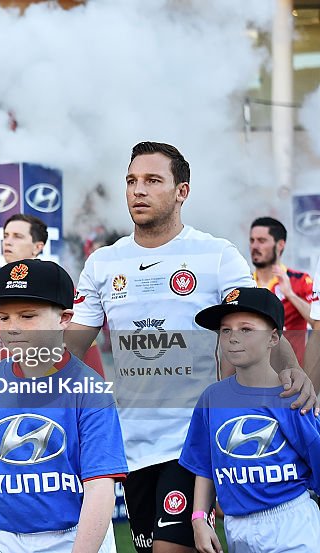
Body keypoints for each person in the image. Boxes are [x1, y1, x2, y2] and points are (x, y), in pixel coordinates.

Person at [64, 141, 318, 553]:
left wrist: (292, 371)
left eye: (152, 180)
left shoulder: (216, 255)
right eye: (131, 181)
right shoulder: (103, 263)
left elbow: (260, 325)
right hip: (131, 444)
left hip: (194, 442)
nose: (138, 190)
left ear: (182, 191)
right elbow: (69, 348)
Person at [0, 259, 128, 553]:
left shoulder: (89, 390)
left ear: (64, 318)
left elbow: (100, 487)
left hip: (73, 537)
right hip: (3, 537)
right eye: (4, 317)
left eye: (27, 316)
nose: (13, 329)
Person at [180, 287, 320, 552]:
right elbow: (204, 465)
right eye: (225, 330)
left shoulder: (293, 398)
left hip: (291, 524)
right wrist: (199, 519)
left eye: (246, 329)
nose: (233, 338)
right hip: (237, 528)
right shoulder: (212, 397)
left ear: (273, 338)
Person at [0, 213, 103, 374]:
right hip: (6, 384)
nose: (8, 241)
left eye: (18, 236)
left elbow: (83, 341)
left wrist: (97, 385)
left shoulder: (57, 282)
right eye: (5, 236)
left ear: (38, 246)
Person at [249, 217, 314, 366]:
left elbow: (317, 321)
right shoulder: (244, 282)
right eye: (252, 241)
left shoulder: (300, 280)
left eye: (261, 240)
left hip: (290, 377)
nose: (254, 246)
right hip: (253, 376)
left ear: (280, 245)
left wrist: (290, 294)